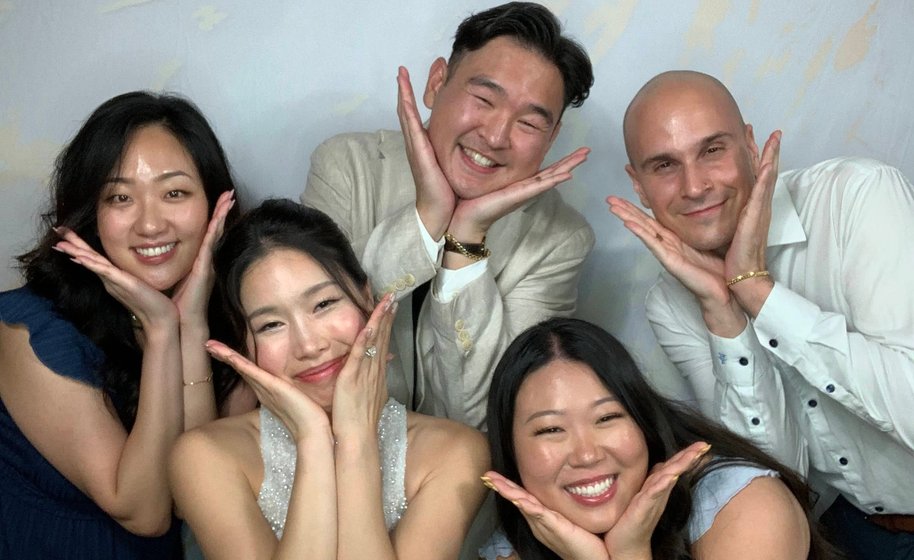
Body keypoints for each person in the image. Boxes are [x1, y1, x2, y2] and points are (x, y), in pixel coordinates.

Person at [608, 70, 914, 559]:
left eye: (712, 150)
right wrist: (725, 312)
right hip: (858, 529)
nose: (695, 186)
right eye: (664, 165)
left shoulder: (857, 197)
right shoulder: (671, 303)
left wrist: (757, 291)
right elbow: (775, 478)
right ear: (638, 185)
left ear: (750, 146)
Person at [302, 1, 595, 429]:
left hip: (462, 462)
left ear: (551, 139)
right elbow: (315, 332)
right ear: (436, 83)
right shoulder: (346, 167)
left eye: (529, 124)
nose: (495, 136)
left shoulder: (559, 239)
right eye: (484, 99)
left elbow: (487, 411)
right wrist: (427, 216)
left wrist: (467, 240)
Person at [168, 199, 490, 559]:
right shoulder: (206, 456)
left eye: (324, 304)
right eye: (270, 325)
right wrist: (313, 439)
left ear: (366, 298)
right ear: (243, 344)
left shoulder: (455, 451)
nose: (309, 345)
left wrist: (355, 439)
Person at [0, 91, 239, 557]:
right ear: (91, 214)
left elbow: (196, 502)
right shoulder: (29, 329)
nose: (150, 225)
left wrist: (190, 327)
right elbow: (145, 513)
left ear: (214, 203)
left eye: (174, 193)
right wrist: (163, 333)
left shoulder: (234, 319)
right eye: (120, 197)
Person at [481, 317, 842, 560]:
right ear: (511, 449)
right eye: (551, 430)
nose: (587, 455)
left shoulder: (743, 503)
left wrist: (630, 554)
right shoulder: (522, 538)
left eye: (607, 418)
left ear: (642, 419)